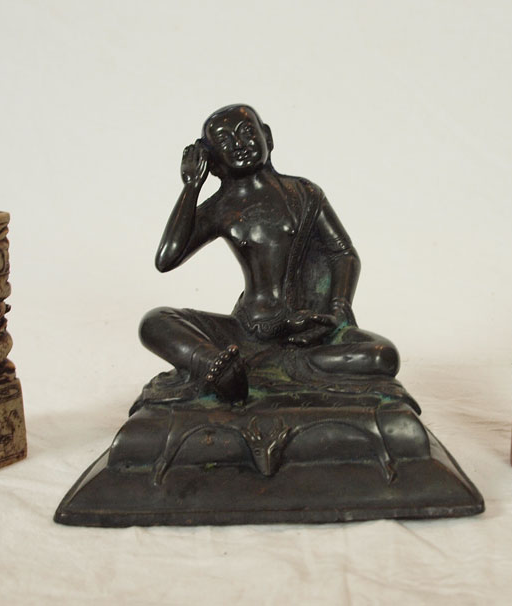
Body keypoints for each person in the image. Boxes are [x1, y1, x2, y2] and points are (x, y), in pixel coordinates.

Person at [139, 104, 399, 404]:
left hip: (308, 329)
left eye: (246, 132)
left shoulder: (304, 193)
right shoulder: (221, 208)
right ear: (211, 159)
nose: (238, 144)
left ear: (267, 136)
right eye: (224, 141)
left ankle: (258, 369)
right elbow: (167, 258)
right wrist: (191, 188)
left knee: (382, 355)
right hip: (247, 330)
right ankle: (216, 365)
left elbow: (342, 253)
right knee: (155, 321)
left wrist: (339, 310)